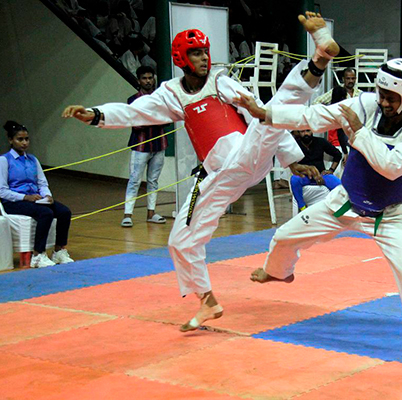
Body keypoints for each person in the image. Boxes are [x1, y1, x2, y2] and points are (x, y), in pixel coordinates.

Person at [62, 12, 340, 330]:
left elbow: (259, 112)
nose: (204, 58)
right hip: (218, 176)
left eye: (205, 52)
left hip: (247, 152)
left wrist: (290, 161)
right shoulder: (172, 93)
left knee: (271, 113)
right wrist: (95, 114)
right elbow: (135, 112)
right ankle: (207, 301)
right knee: (180, 239)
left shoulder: (220, 81)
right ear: (182, 58)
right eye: (196, 53)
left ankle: (320, 55)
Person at [238, 58, 402, 385]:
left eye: (391, 98)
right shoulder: (365, 105)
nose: (383, 102)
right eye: (381, 94)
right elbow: (314, 116)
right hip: (345, 203)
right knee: (284, 236)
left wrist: (359, 133)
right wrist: (267, 114)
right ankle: (279, 272)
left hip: (389, 217)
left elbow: (391, 166)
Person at [0, 121, 74, 268]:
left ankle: (59, 250)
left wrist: (47, 196)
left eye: (26, 139)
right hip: (14, 202)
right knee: (45, 213)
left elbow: (42, 183)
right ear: (10, 140)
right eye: (20, 139)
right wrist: (25, 197)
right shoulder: (4, 160)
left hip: (35, 200)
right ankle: (38, 254)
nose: (24, 143)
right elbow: (2, 191)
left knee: (64, 212)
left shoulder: (33, 160)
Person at [121, 66, 167, 227]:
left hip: (159, 144)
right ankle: (127, 215)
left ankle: (151, 213)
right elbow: (136, 123)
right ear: (139, 80)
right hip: (140, 146)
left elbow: (167, 119)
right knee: (134, 180)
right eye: (144, 78)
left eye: (150, 78)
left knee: (153, 180)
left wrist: (149, 118)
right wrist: (155, 118)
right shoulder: (132, 100)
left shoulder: (161, 98)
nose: (148, 81)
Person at [313, 67, 363, 166]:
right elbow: (316, 102)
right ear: (343, 79)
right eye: (348, 78)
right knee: (339, 161)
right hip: (338, 130)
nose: (350, 81)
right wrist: (329, 113)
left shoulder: (360, 94)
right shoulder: (336, 92)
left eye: (353, 78)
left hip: (354, 131)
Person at [290, 129, 342, 211]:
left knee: (339, 185)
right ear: (299, 133)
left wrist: (331, 170)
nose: (306, 134)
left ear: (312, 131)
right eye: (302, 131)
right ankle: (302, 207)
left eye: (308, 131)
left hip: (322, 176)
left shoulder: (320, 142)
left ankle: (338, 209)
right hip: (304, 176)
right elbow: (291, 164)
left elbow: (338, 154)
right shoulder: (295, 145)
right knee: (294, 179)